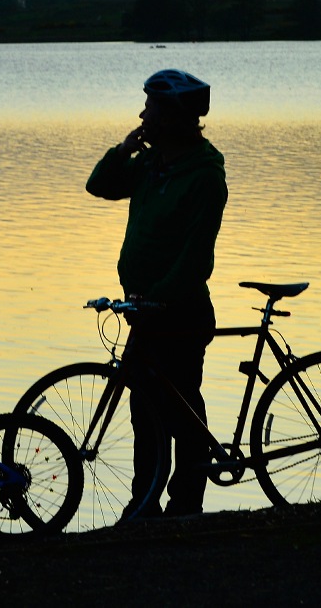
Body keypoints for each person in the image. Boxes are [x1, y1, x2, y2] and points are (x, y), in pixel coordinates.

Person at [86, 69, 227, 519]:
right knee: (143, 412)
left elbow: (195, 257)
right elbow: (100, 185)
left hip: (178, 311)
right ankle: (144, 501)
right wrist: (125, 148)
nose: (142, 114)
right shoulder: (149, 164)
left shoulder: (204, 175)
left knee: (181, 409)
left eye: (150, 108)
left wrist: (160, 298)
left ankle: (186, 502)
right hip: (145, 311)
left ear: (171, 118)